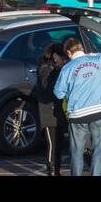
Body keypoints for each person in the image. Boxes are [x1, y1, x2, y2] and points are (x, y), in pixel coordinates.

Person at [52, 39, 101, 177]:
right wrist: (94, 55)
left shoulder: (67, 68)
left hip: (77, 115)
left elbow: (58, 93)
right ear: (82, 49)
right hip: (98, 112)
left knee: (76, 153)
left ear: (69, 53)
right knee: (98, 151)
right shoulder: (97, 61)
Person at [34, 43, 68, 176]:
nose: (64, 60)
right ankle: (52, 171)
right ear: (55, 56)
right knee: (52, 144)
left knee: (59, 143)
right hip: (49, 112)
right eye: (62, 57)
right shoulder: (45, 68)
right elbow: (47, 88)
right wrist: (60, 70)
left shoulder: (55, 68)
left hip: (58, 111)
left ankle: (57, 170)